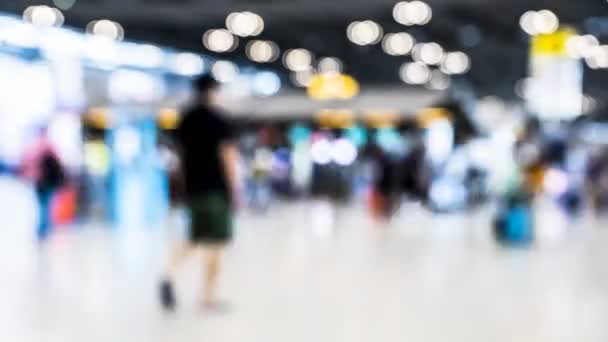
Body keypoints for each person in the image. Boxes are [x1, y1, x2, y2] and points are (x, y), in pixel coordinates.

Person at [160, 75, 240, 311]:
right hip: (216, 189)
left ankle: (169, 274)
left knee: (194, 238)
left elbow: (180, 158)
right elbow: (228, 157)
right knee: (216, 244)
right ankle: (208, 297)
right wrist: (234, 189)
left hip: (194, 189)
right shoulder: (219, 121)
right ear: (213, 91)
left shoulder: (186, 120)